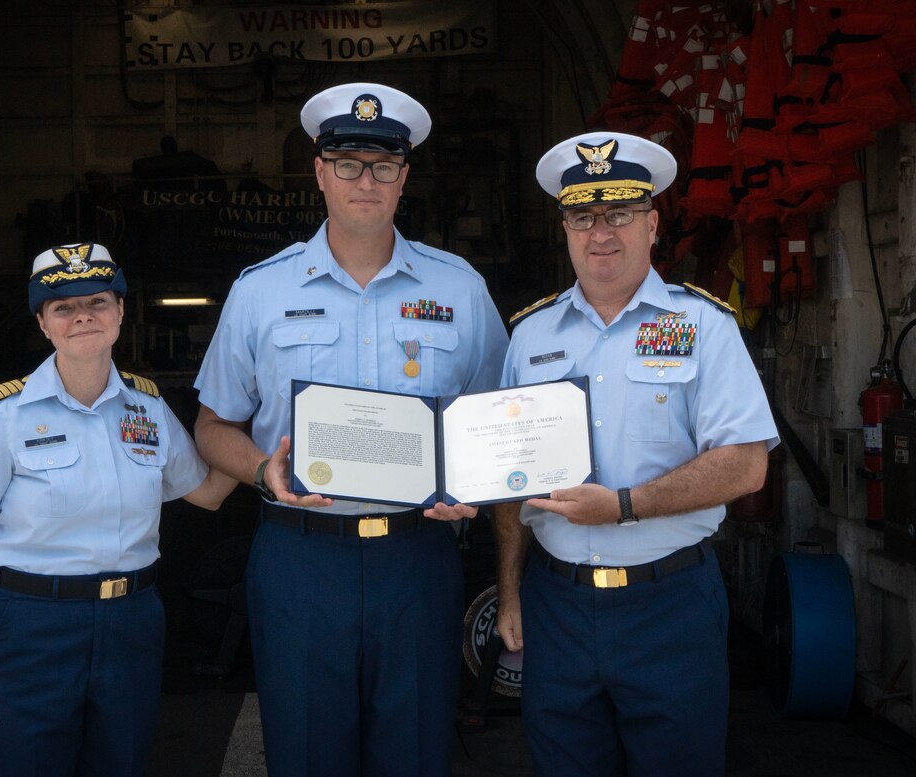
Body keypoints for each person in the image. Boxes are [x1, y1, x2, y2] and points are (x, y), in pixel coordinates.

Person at [192, 82, 509, 777]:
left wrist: (476, 487)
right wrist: (259, 470)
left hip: (417, 558)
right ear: (318, 173)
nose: (366, 181)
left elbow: (499, 425)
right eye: (347, 163)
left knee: (418, 752)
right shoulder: (260, 291)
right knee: (306, 754)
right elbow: (212, 425)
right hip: (301, 561)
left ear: (405, 177)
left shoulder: (460, 290)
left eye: (384, 164)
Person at [494, 132, 779, 777]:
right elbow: (509, 479)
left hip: (669, 605)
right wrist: (510, 593)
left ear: (652, 225)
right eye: (582, 216)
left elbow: (745, 463)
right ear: (565, 228)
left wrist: (624, 505)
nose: (601, 233)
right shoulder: (530, 335)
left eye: (619, 214)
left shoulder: (704, 326)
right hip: (556, 605)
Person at [0, 242, 236, 777]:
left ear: (121, 312)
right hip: (31, 627)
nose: (82, 316)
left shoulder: (147, 407)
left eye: (97, 301)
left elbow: (208, 492)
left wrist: (256, 433)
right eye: (63, 307)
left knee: (119, 764)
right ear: (43, 323)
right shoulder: (2, 413)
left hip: (131, 622)